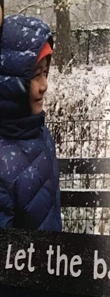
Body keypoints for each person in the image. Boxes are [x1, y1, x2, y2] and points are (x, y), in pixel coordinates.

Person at [0, 14, 62, 230]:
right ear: (8, 82)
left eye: (45, 73)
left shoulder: (40, 134)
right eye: (36, 75)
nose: (44, 85)